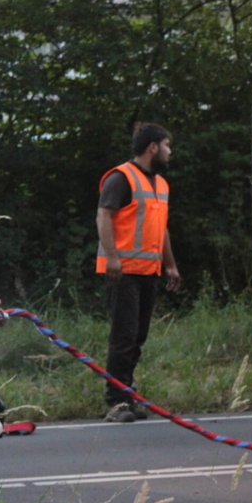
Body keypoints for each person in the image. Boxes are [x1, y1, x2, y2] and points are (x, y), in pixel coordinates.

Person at [96, 123, 181, 422]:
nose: (170, 152)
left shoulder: (161, 184)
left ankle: (127, 394)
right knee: (124, 337)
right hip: (123, 272)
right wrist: (112, 257)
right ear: (153, 147)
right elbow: (103, 216)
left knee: (138, 337)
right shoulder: (121, 178)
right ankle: (115, 402)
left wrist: (170, 264)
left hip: (148, 270)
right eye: (167, 145)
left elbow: (161, 228)